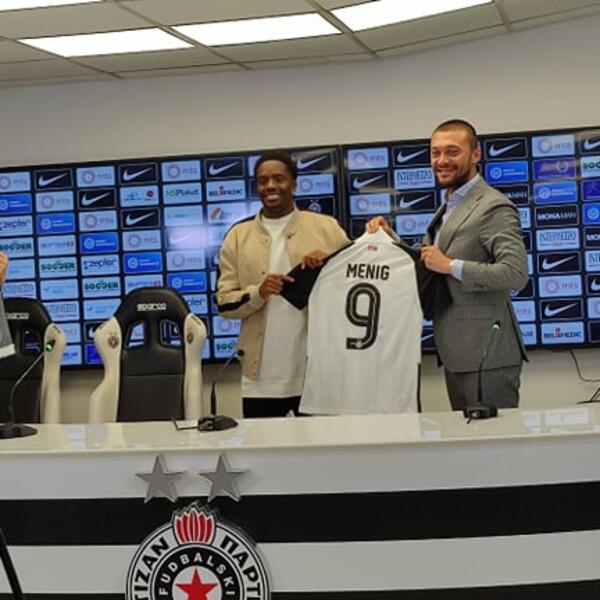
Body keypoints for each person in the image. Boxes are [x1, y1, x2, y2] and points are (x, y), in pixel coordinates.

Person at [368, 119, 528, 410]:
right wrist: (392, 239)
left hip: (487, 354)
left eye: (452, 151)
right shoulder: (450, 205)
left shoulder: (493, 206)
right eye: (435, 152)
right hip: (457, 352)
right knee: (467, 438)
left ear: (475, 155)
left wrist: (452, 265)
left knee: (493, 439)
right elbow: (430, 262)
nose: (442, 160)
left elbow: (515, 274)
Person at [216, 151, 349, 418]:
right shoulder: (237, 236)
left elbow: (355, 285)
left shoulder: (326, 228)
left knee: (324, 444)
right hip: (260, 380)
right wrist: (259, 292)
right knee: (262, 446)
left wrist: (326, 266)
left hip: (318, 374)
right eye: (263, 181)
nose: (270, 186)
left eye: (279, 179)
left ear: (294, 184)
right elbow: (224, 304)